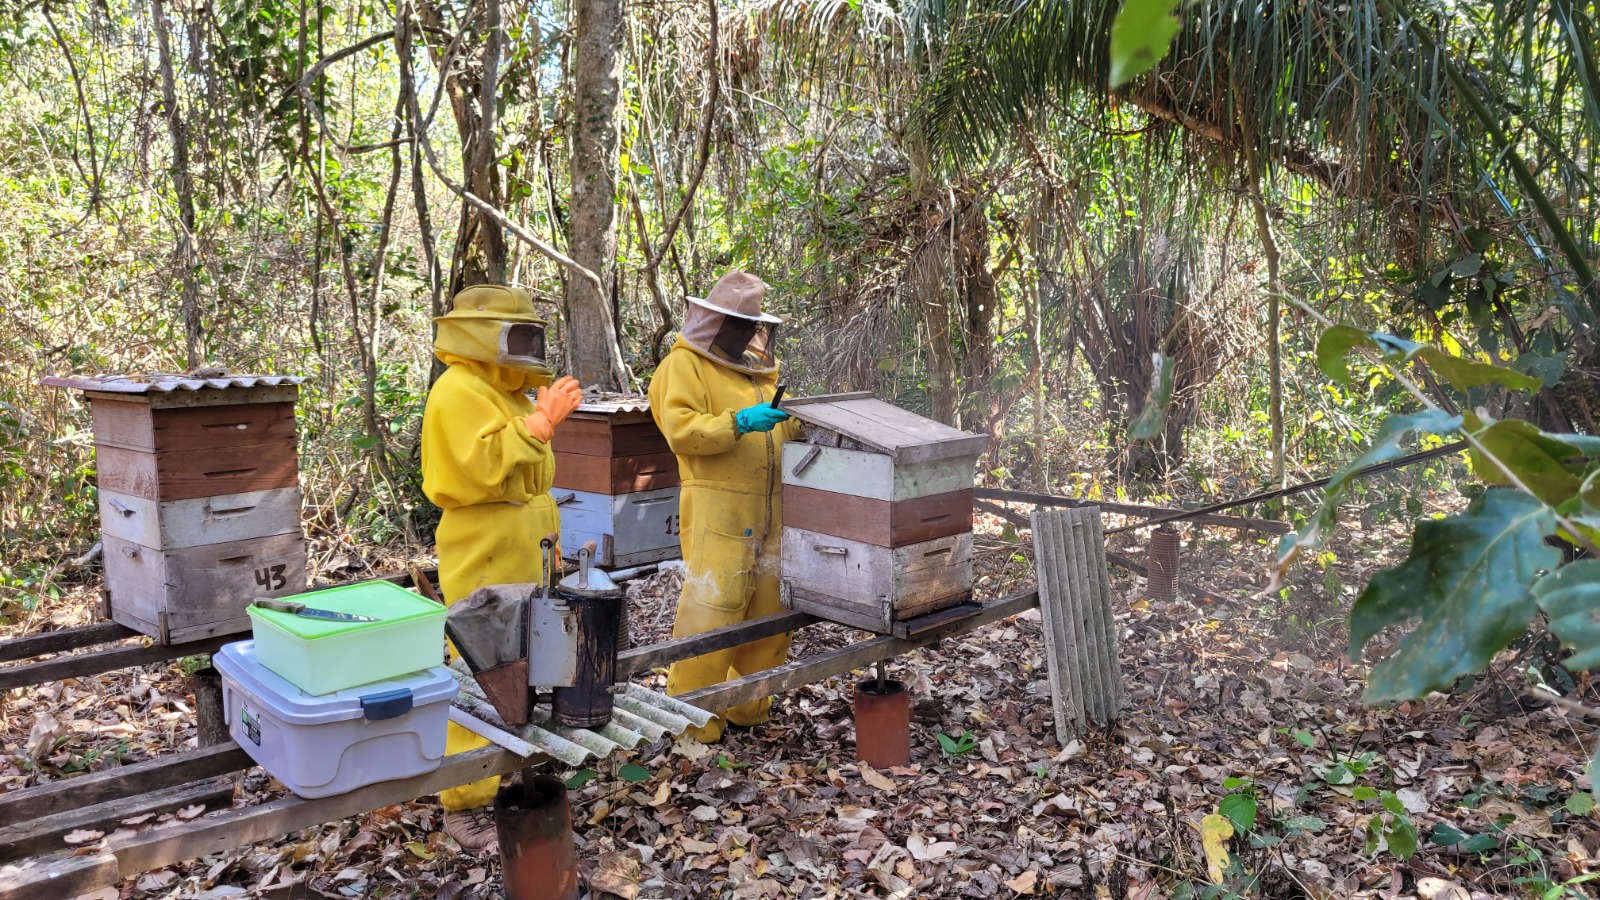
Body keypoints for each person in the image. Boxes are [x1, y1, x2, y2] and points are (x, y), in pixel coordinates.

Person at [420, 284, 583, 851]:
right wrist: (540, 425)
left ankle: (516, 768)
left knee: (527, 657)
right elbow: (475, 471)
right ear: (482, 336)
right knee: (478, 663)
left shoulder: (507, 393)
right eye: (515, 336)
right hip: (483, 537)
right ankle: (462, 800)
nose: (525, 348)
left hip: (525, 540)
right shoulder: (458, 390)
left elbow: (529, 468)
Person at [649, 271, 801, 743]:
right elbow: (680, 429)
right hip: (718, 509)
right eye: (736, 323)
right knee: (713, 610)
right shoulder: (683, 367)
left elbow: (784, 428)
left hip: (774, 511)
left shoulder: (756, 371)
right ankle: (694, 723)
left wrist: (804, 422)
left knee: (770, 613)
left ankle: (748, 708)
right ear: (712, 322)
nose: (745, 332)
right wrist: (737, 422)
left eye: (750, 324)